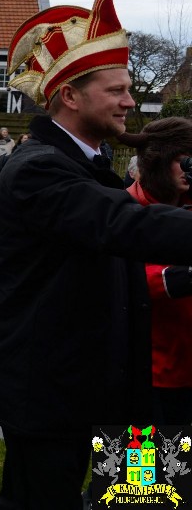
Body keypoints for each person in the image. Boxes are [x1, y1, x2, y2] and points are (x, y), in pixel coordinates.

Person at [0, 0, 192, 510]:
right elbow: (126, 224)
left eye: (128, 88)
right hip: (52, 392)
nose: (129, 101)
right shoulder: (39, 170)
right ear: (70, 96)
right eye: (116, 91)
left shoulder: (88, 163)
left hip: (116, 384)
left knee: (142, 501)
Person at [119, 118, 192, 424]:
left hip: (185, 369)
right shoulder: (122, 208)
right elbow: (115, 278)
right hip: (135, 373)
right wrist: (177, 278)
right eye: (183, 160)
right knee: (133, 469)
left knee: (177, 469)